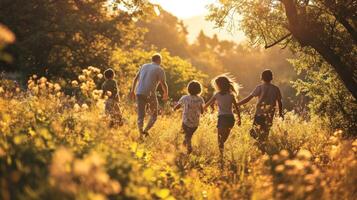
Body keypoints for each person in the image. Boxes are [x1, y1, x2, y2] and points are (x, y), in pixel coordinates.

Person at [237, 69, 283, 145]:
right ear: (272, 78)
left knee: (254, 132)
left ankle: (259, 146)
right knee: (265, 133)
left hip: (259, 114)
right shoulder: (276, 89)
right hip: (269, 115)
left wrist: (237, 104)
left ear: (261, 78)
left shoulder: (260, 87)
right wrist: (280, 113)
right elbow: (280, 102)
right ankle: (262, 148)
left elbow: (248, 99)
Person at [130, 53, 169, 137]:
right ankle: (145, 130)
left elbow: (136, 78)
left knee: (140, 115)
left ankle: (140, 133)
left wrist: (132, 90)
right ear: (159, 60)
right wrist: (166, 93)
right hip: (150, 94)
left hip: (139, 92)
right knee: (154, 115)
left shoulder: (144, 66)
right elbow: (163, 83)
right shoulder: (159, 69)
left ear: (152, 59)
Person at [204, 75, 241, 161]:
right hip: (230, 119)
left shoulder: (218, 95)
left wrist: (201, 109)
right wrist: (239, 119)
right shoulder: (231, 95)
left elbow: (208, 104)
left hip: (222, 118)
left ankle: (221, 155)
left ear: (219, 86)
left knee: (220, 139)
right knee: (223, 139)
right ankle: (221, 156)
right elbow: (236, 108)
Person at [174, 81, 205, 154]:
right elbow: (202, 111)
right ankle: (183, 148)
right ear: (199, 90)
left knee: (185, 134)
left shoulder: (185, 98)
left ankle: (189, 147)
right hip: (195, 123)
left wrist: (174, 108)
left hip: (186, 121)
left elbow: (178, 106)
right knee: (188, 135)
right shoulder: (200, 99)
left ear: (188, 89)